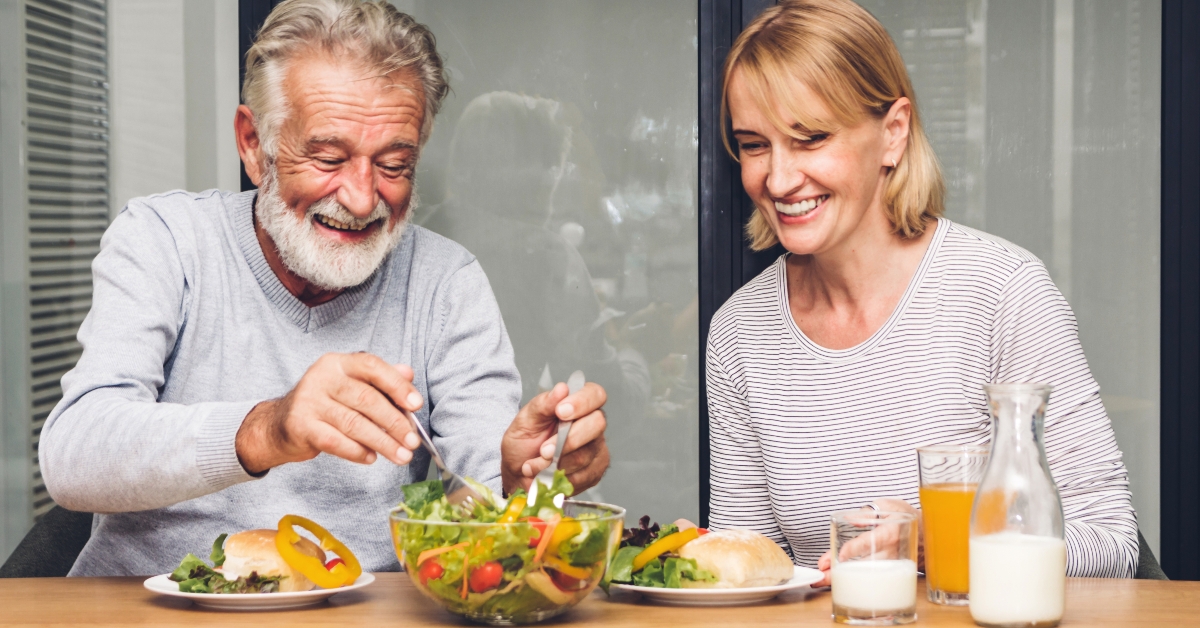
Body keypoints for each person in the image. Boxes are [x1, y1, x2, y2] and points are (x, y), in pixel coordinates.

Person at [38, 0, 609, 577]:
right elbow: (73, 453)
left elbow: (479, 499)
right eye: (329, 156)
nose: (362, 199)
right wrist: (268, 428)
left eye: (393, 166)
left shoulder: (445, 283)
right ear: (253, 145)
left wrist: (518, 481)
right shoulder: (165, 240)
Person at [706, 0, 1138, 584]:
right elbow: (746, 564)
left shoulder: (1003, 291)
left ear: (893, 133)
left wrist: (944, 541)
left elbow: (1112, 542)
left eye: (810, 138)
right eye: (755, 144)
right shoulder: (739, 331)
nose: (778, 179)